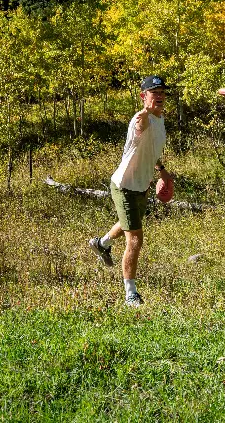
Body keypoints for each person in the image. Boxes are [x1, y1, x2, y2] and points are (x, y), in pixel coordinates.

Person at [89, 75, 173, 307]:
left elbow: (152, 150)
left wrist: (162, 171)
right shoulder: (141, 118)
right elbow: (141, 126)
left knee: (128, 223)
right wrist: (145, 111)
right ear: (143, 96)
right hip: (124, 186)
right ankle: (130, 294)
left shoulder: (160, 119)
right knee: (135, 239)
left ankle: (101, 243)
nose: (159, 95)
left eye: (162, 92)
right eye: (153, 92)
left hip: (141, 186)